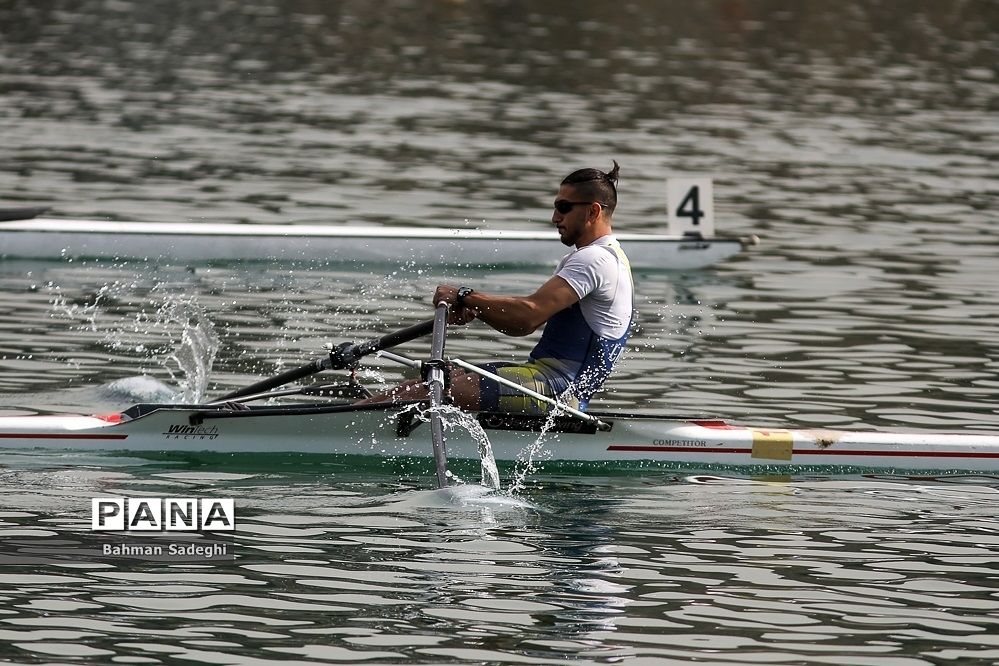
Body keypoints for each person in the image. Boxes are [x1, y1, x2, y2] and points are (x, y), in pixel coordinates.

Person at [363, 161, 634, 413]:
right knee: (438, 377)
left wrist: (465, 296)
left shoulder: (593, 260)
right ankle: (356, 414)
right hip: (543, 377)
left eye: (563, 208)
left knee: (432, 390)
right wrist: (478, 308)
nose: (554, 217)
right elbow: (521, 322)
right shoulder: (608, 257)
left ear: (593, 211)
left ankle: (344, 426)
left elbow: (527, 317)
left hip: (557, 390)